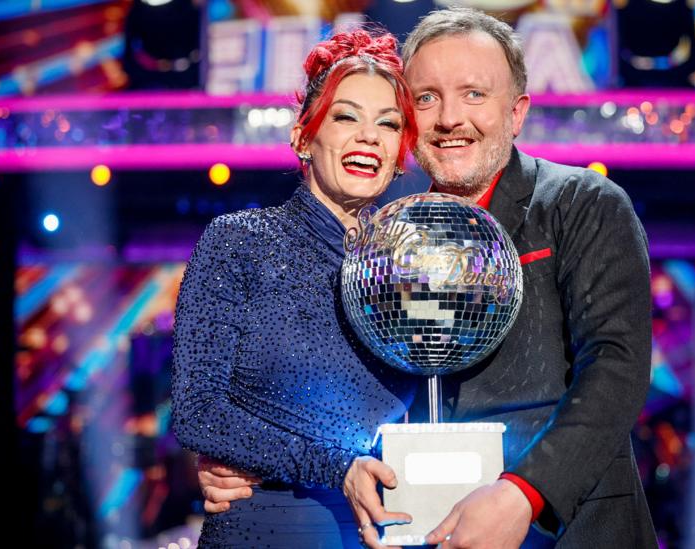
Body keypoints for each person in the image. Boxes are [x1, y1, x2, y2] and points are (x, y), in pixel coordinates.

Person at [199, 7, 659, 548]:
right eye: (427, 98)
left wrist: (525, 494)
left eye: (474, 94)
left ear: (516, 113)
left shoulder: (581, 203)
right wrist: (247, 459)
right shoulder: (383, 237)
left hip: (571, 528)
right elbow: (331, 394)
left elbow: (616, 367)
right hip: (427, 529)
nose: (448, 119)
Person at [171, 29, 421, 548]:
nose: (369, 137)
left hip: (383, 530)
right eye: (346, 116)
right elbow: (198, 414)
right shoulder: (238, 243)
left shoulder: (409, 273)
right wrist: (340, 469)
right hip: (264, 530)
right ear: (303, 138)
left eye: (388, 124)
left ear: (401, 155)